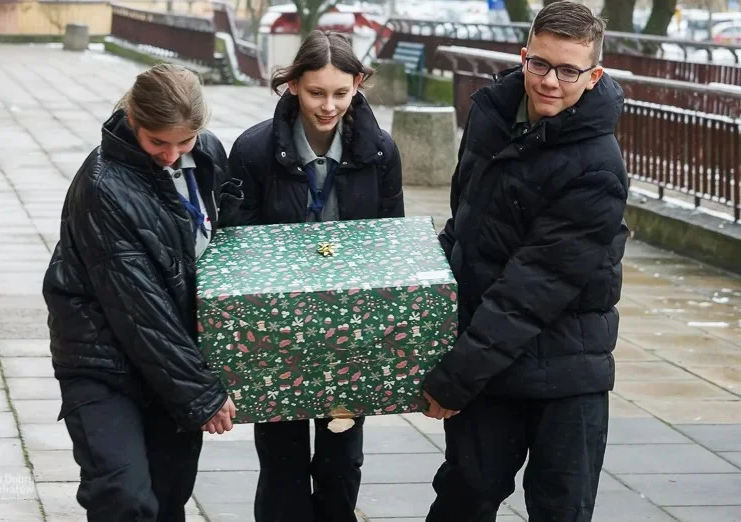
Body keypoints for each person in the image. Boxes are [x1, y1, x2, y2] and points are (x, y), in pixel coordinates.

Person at [422, 2, 629, 521]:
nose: (550, 81)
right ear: (523, 56)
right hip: (491, 362)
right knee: (463, 500)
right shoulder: (490, 115)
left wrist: (458, 375)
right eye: (540, 64)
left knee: (560, 510)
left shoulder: (599, 166)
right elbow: (465, 227)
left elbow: (535, 286)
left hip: (566, 369)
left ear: (594, 75)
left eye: (568, 71)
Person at [42, 63, 242, 522]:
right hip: (103, 360)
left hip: (170, 356)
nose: (171, 155)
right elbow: (140, 307)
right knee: (125, 500)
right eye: (157, 142)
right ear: (133, 119)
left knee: (168, 498)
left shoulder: (207, 152)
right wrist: (201, 392)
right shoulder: (102, 186)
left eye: (184, 141)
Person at [228, 30, 404, 522]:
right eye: (315, 93)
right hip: (277, 329)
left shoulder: (380, 151)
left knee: (341, 462)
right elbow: (236, 247)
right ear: (293, 86)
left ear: (358, 85)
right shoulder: (254, 150)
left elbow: (391, 244)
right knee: (281, 463)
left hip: (349, 330)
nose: (329, 106)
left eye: (341, 93)